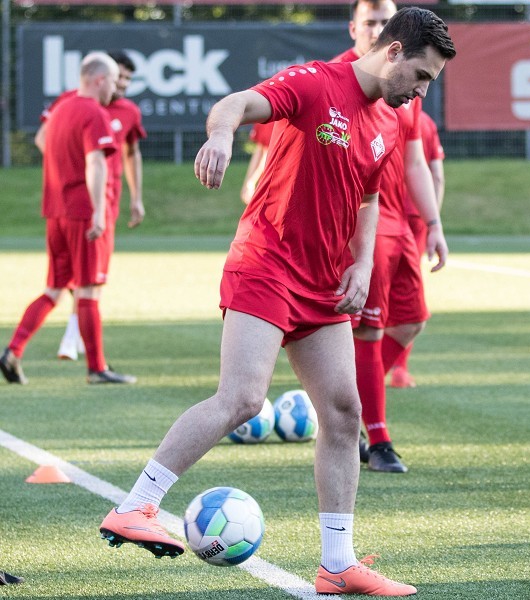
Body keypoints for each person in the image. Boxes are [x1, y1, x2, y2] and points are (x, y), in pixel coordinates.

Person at [97, 8, 455, 596]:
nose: (422, 90)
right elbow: (234, 104)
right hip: (266, 263)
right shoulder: (316, 82)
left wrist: (361, 262)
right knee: (242, 398)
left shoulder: (391, 123)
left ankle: (336, 564)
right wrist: (218, 135)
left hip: (323, 284)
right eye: (421, 75)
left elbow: (368, 200)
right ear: (393, 52)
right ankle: (136, 506)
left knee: (344, 413)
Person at [333, 0, 448, 474]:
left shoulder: (406, 88)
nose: (378, 28)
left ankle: (343, 403)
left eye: (386, 20)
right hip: (368, 222)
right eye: (371, 22)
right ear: (356, 28)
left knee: (412, 320)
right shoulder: (340, 79)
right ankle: (376, 437)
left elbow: (415, 160)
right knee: (370, 328)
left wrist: (435, 222)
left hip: (403, 223)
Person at [0, 53, 136, 385]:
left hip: (55, 210)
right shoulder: (94, 112)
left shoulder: (60, 109)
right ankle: (97, 368)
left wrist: (64, 167)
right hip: (82, 214)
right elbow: (96, 164)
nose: (115, 89)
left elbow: (42, 140)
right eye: (113, 80)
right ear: (99, 80)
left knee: (54, 288)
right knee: (89, 290)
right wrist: (99, 213)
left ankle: (13, 351)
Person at [35, 50, 147, 362]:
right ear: (103, 78)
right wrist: (67, 171)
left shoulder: (128, 111)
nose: (122, 84)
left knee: (85, 281)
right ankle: (81, 349)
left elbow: (131, 153)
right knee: (83, 281)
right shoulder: (78, 104)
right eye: (118, 77)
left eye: (127, 78)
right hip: (83, 204)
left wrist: (136, 198)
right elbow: (46, 139)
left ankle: (66, 341)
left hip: (105, 204)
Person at [389, 109, 445, 389]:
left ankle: (369, 365)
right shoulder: (426, 123)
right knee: (409, 292)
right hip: (416, 216)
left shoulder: (381, 110)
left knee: (375, 293)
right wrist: (434, 218)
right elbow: (436, 175)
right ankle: (399, 367)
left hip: (385, 213)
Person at [240, 121, 275, 205]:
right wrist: (248, 184)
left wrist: (250, 182)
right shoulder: (264, 118)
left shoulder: (276, 116)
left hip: (278, 184)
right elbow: (260, 150)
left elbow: (267, 153)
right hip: (267, 185)